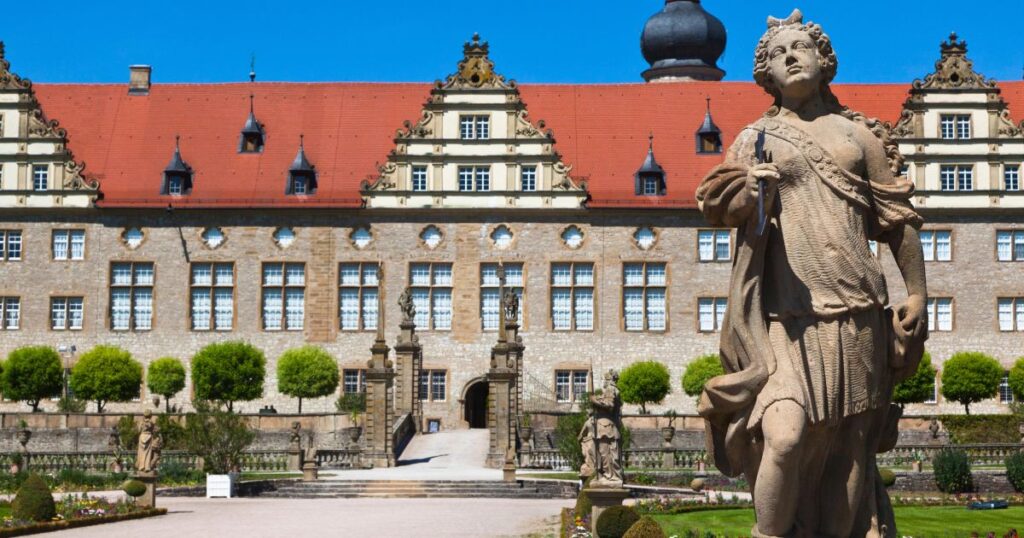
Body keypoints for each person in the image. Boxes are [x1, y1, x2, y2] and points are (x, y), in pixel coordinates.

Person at [695, 10, 927, 537]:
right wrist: (750, 192)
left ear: (825, 61)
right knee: (785, 436)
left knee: (850, 445)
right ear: (766, 74)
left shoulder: (858, 136)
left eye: (801, 47)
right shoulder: (755, 139)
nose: (791, 56)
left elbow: (897, 220)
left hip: (857, 313)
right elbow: (718, 204)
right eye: (779, 53)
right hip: (784, 318)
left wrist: (917, 291)